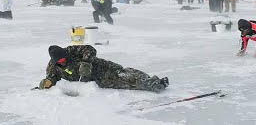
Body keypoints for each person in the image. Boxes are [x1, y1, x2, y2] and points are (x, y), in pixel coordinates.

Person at [37, 45, 169, 93]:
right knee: (122, 85)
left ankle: (152, 82)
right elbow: (51, 77)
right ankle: (150, 83)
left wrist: (86, 62)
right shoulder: (53, 66)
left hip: (101, 68)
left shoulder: (71, 50)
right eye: (59, 62)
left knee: (122, 75)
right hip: (97, 80)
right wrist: (47, 82)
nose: (62, 62)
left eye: (63, 59)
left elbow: (89, 49)